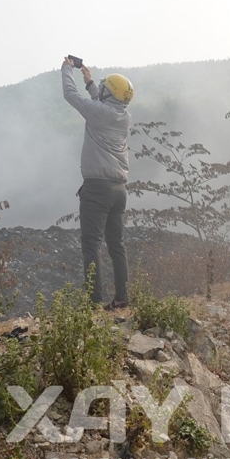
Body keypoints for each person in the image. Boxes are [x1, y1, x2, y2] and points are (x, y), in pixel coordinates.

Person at [61, 56, 134, 309]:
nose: (100, 90)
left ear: (109, 93)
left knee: (91, 244)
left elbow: (70, 96)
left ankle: (94, 303)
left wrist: (67, 70)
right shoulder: (124, 117)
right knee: (116, 244)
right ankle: (122, 299)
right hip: (119, 190)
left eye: (104, 88)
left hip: (97, 189)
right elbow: (101, 104)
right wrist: (91, 83)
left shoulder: (99, 113)